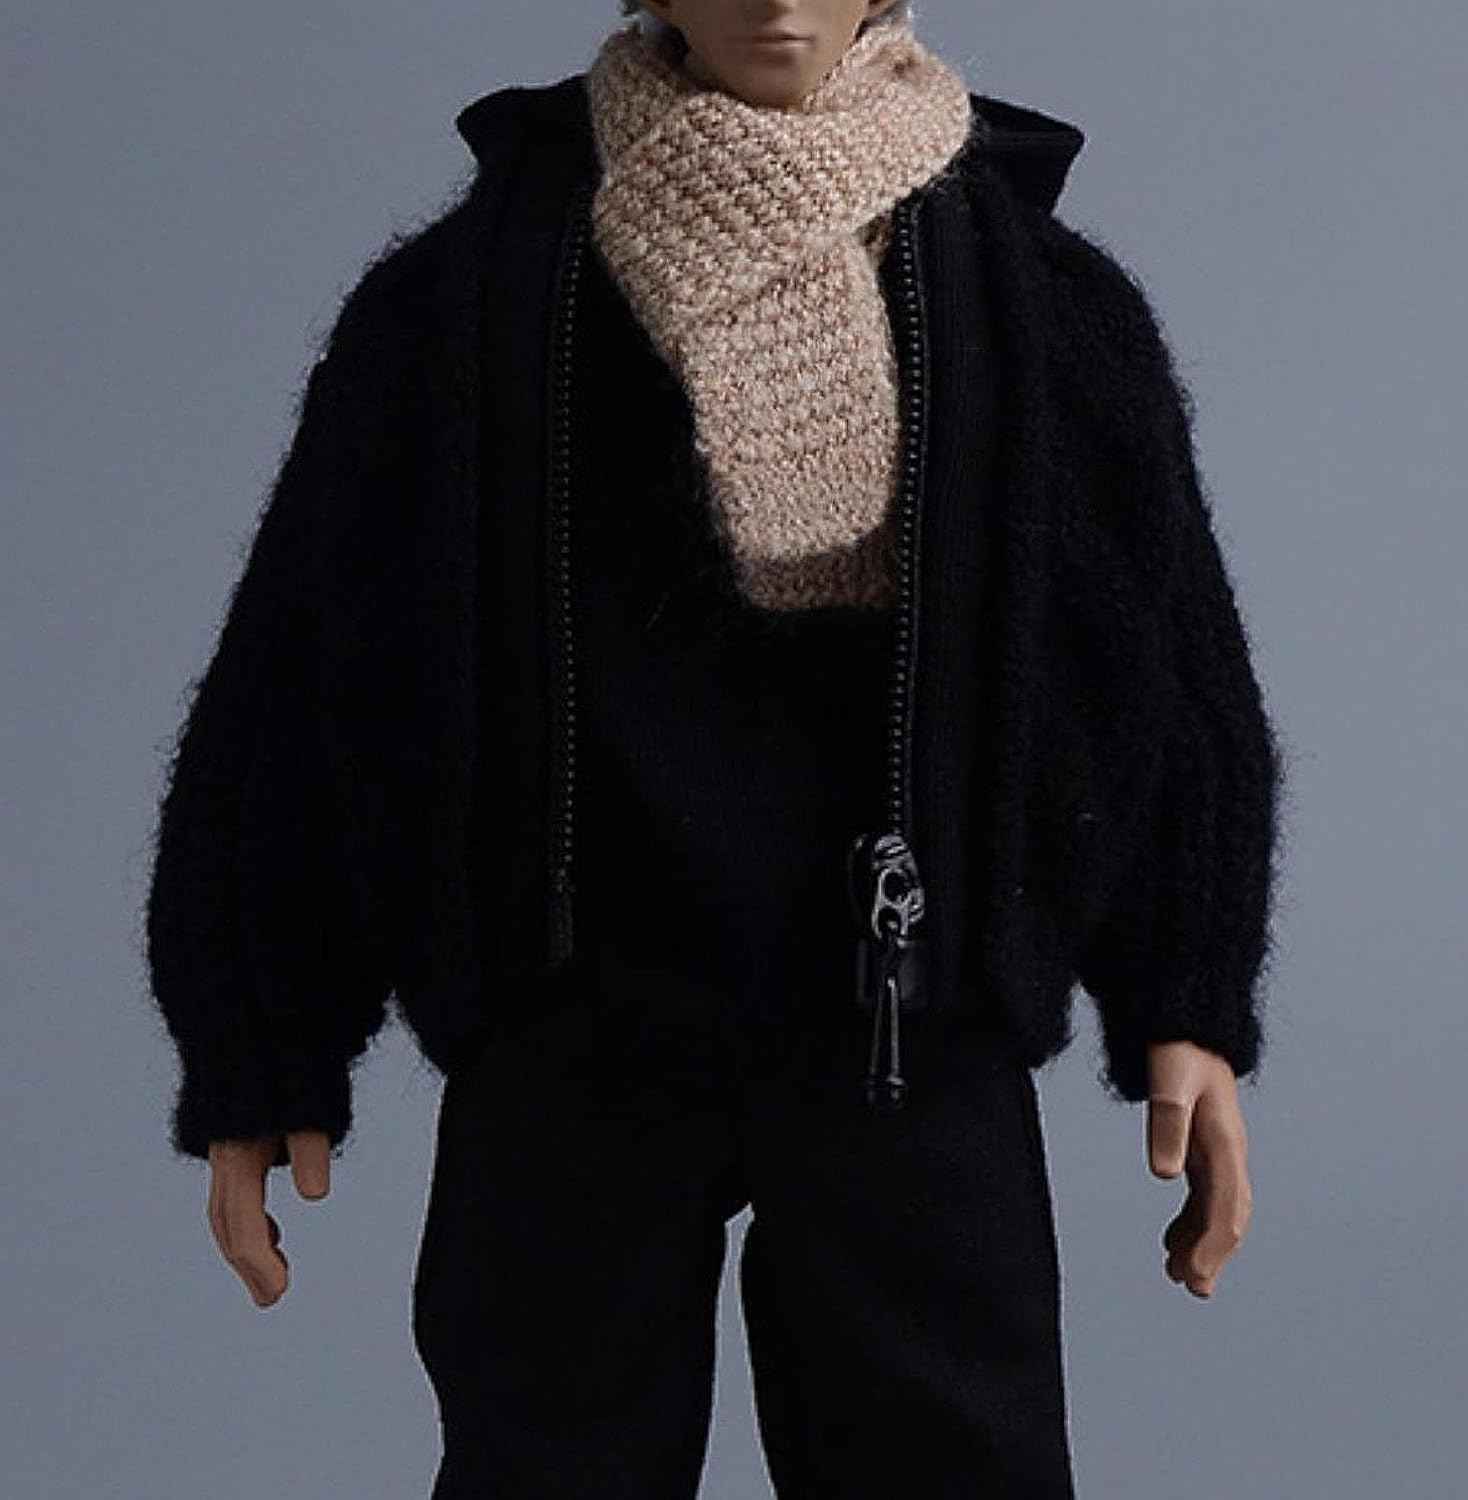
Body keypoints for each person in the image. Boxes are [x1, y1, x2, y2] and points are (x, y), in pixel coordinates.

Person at [143, 2, 1286, 1495]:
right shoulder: (471, 300)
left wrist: (1185, 991)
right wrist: (259, 1026)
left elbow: (1157, 656)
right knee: (546, 1465)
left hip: (904, 1026)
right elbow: (312, 666)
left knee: (951, 1460)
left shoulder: (1032, 301)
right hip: (574, 1015)